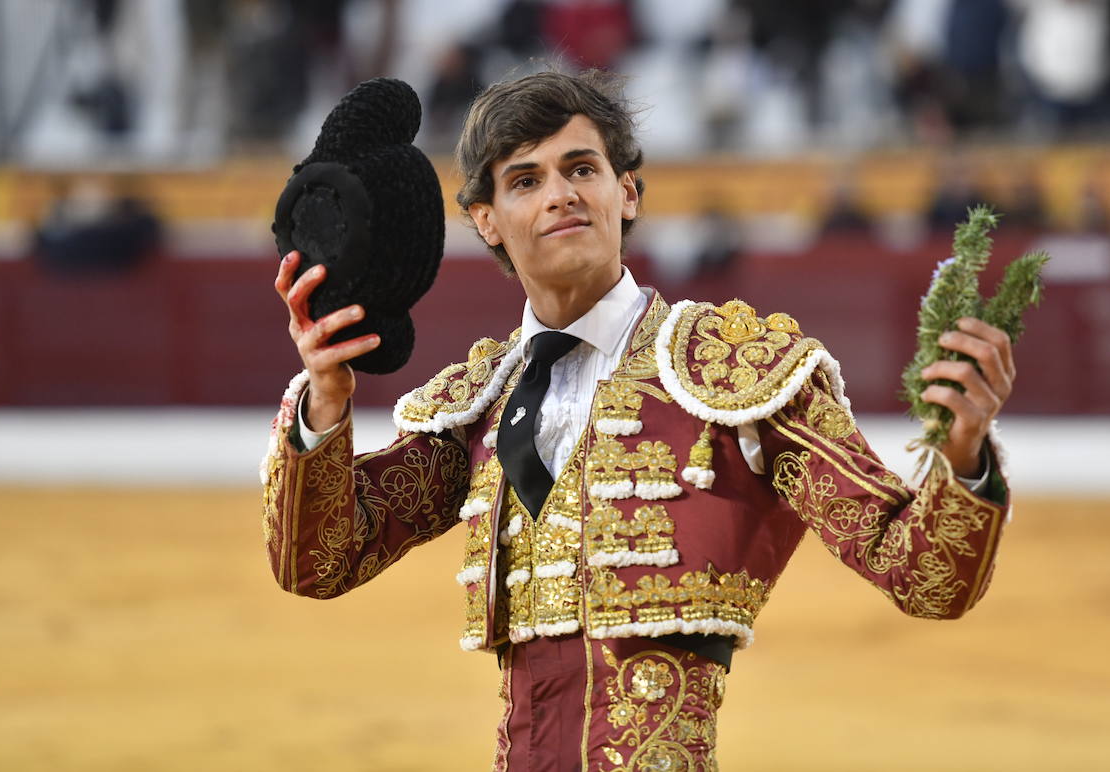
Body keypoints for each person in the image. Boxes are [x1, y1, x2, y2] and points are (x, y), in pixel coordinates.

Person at [260, 71, 1017, 768]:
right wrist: (325, 396)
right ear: (487, 220)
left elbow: (923, 575)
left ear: (627, 193)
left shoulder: (735, 374)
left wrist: (963, 451)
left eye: (580, 169)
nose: (559, 195)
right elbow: (319, 561)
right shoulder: (479, 403)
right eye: (527, 180)